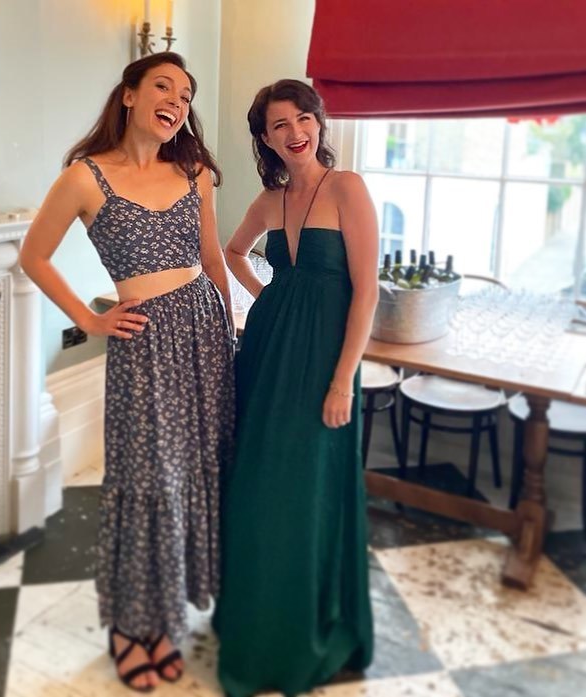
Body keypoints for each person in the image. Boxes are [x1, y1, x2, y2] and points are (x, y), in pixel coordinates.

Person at [19, 52, 235, 693]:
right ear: (130, 95)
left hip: (203, 334)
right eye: (163, 86)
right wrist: (89, 319)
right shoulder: (85, 177)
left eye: (186, 95)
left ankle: (165, 621)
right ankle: (127, 627)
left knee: (195, 472)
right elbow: (34, 256)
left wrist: (229, 329)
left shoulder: (194, 172)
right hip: (143, 345)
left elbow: (212, 259)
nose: (177, 101)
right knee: (146, 482)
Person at [214, 79, 378, 697]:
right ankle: (255, 628)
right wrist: (268, 296)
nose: (295, 131)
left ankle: (305, 633)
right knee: (258, 485)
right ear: (265, 138)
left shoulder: (347, 188)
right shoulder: (269, 199)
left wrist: (343, 382)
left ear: (319, 123)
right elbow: (233, 252)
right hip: (266, 353)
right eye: (279, 124)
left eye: (303, 118)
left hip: (323, 365)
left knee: (307, 492)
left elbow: (367, 292)